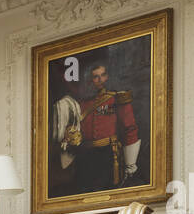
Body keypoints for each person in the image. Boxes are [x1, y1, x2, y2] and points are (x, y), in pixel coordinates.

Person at [59, 61, 142, 194]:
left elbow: (129, 128)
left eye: (103, 75)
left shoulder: (116, 99)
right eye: (95, 76)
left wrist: (130, 163)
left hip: (108, 155)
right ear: (90, 80)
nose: (100, 80)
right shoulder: (82, 104)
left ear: (108, 76)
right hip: (86, 156)